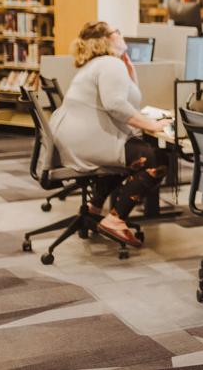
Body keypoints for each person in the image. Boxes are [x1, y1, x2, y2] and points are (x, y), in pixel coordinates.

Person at [50, 21, 172, 247]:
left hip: (75, 139)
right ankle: (116, 220)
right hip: (90, 141)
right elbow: (115, 104)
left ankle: (95, 208)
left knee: (131, 155)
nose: (121, 34)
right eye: (117, 31)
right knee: (156, 160)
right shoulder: (109, 64)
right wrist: (151, 125)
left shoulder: (99, 64)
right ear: (106, 40)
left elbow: (127, 99)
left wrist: (130, 70)